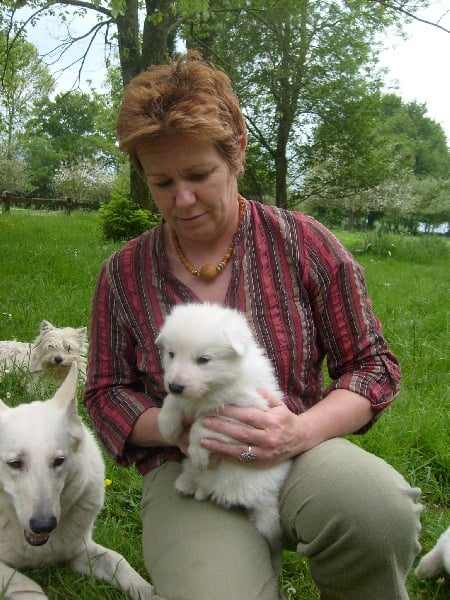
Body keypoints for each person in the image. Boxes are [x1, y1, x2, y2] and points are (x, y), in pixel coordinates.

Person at [84, 51, 422, 600]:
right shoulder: (123, 275)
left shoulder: (305, 244)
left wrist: (297, 432)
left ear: (237, 152)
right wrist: (178, 428)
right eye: (162, 182)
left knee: (375, 513)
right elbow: (105, 391)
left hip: (302, 449)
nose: (182, 199)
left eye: (199, 175)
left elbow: (372, 367)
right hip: (189, 466)